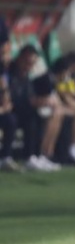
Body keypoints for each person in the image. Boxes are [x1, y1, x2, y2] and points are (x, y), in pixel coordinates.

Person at [7, 45, 63, 172]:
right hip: (12, 110)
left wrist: (39, 101)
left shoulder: (26, 76)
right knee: (32, 117)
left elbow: (29, 95)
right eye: (28, 62)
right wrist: (32, 102)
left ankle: (39, 155)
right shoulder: (12, 73)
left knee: (41, 115)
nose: (29, 66)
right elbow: (14, 96)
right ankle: (30, 156)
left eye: (32, 63)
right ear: (20, 58)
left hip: (23, 109)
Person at [0, 40, 20, 172]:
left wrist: (5, 90)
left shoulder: (9, 72)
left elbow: (6, 99)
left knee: (11, 120)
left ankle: (5, 157)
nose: (8, 57)